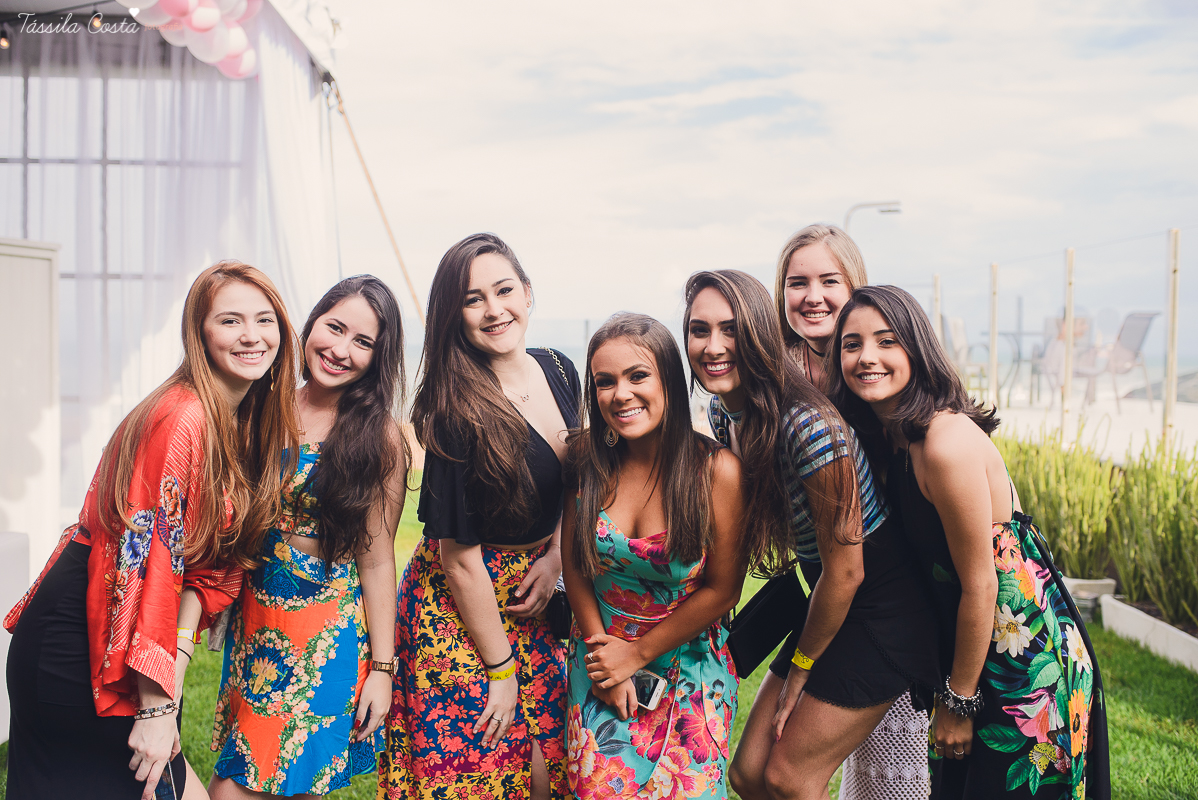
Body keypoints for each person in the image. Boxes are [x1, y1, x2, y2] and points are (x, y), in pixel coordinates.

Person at [4, 261, 301, 800]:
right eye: (231, 321)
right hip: (83, 642)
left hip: (125, 631)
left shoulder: (236, 419)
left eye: (265, 320)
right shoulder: (182, 418)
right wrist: (159, 708)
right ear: (199, 332)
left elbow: (198, 573)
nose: (252, 336)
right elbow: (149, 569)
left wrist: (173, 673)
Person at [829, 285, 1110, 799]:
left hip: (1021, 661)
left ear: (917, 350)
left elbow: (981, 585)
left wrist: (958, 702)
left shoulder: (945, 443)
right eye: (851, 344)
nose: (867, 356)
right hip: (977, 653)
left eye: (886, 341)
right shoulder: (890, 439)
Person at [683, 271, 939, 800]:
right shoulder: (724, 413)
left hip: (880, 604)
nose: (713, 347)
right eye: (698, 330)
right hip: (826, 593)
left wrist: (802, 665)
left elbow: (849, 568)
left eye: (729, 329)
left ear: (758, 333)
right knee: (749, 775)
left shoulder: (809, 425)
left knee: (790, 779)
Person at [379, 233, 577, 800]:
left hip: (536, 597)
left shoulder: (560, 369)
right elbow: (457, 557)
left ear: (528, 292)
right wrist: (500, 669)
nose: (494, 310)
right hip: (461, 611)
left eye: (504, 290)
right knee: (478, 772)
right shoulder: (453, 410)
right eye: (473, 299)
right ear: (453, 315)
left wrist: (559, 554)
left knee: (551, 769)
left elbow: (578, 481)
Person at [210, 275, 409, 797]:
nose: (341, 350)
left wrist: (383, 669)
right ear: (311, 323)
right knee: (252, 777)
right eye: (335, 327)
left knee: (244, 784)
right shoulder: (261, 405)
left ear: (379, 357)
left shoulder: (378, 435)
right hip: (257, 621)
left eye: (363, 342)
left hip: (325, 632)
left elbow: (377, 558)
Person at [773, 224, 932, 800]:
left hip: (895, 587)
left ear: (856, 288)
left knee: (892, 778)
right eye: (798, 283)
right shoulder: (788, 379)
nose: (812, 295)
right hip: (839, 588)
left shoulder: (874, 373)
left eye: (829, 280)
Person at [562, 312, 747, 800]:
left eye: (637, 376)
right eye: (605, 382)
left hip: (687, 673)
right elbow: (576, 567)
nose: (620, 394)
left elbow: (724, 588)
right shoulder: (586, 464)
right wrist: (604, 658)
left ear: (669, 378)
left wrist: (636, 656)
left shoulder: (717, 472)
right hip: (600, 662)